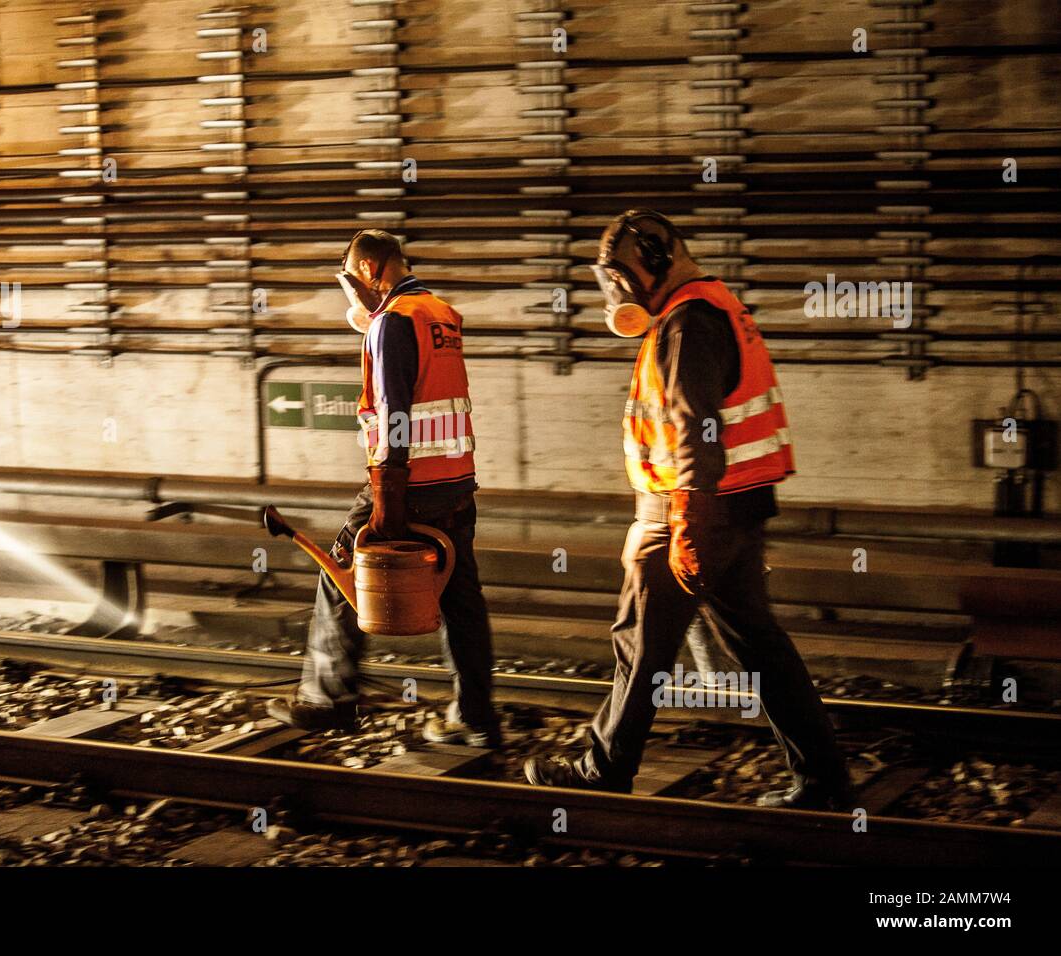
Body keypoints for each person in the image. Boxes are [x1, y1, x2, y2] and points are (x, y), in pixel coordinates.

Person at [523, 210, 854, 810]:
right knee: (758, 648)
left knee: (641, 644)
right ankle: (824, 782)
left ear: (657, 257)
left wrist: (686, 528)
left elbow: (694, 432)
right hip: (732, 508)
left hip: (690, 511)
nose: (617, 290)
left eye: (620, 274)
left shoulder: (688, 323)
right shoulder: (714, 306)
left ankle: (604, 768)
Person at [267, 230, 501, 747]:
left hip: (405, 482)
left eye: (353, 280)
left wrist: (388, 500)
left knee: (340, 572)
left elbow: (396, 411)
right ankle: (476, 715)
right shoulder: (440, 313)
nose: (353, 293)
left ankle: (330, 700)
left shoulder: (391, 321)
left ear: (371, 270)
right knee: (461, 597)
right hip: (455, 482)